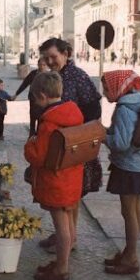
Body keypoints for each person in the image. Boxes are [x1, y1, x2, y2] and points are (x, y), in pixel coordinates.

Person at [39, 37, 102, 253]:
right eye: (46, 58)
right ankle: (62, 235)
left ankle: (69, 240)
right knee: (61, 196)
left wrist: (77, 135)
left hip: (73, 147)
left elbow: (94, 110)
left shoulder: (78, 77)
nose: (50, 61)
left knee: (70, 197)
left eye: (53, 57)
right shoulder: (54, 76)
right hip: (59, 146)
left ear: (66, 53)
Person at [24, 72, 84, 280]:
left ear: (42, 96)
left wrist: (30, 143)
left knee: (61, 228)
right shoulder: (74, 115)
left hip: (56, 182)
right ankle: (61, 263)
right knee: (67, 224)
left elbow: (38, 156)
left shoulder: (49, 123)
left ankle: (61, 269)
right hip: (72, 178)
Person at [101, 70, 140, 275]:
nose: (104, 93)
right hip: (139, 163)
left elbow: (120, 143)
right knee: (135, 210)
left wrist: (103, 135)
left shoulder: (124, 109)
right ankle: (129, 252)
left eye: (106, 88)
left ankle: (131, 258)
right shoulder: (139, 101)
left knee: (128, 212)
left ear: (118, 87)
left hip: (128, 165)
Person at [13, 57, 49, 136]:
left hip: (44, 101)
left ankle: (39, 136)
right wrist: (16, 94)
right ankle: (31, 136)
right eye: (40, 65)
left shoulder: (49, 76)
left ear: (47, 66)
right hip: (33, 100)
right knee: (33, 118)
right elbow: (24, 84)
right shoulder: (33, 74)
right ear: (38, 65)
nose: (42, 66)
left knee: (41, 119)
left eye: (44, 65)